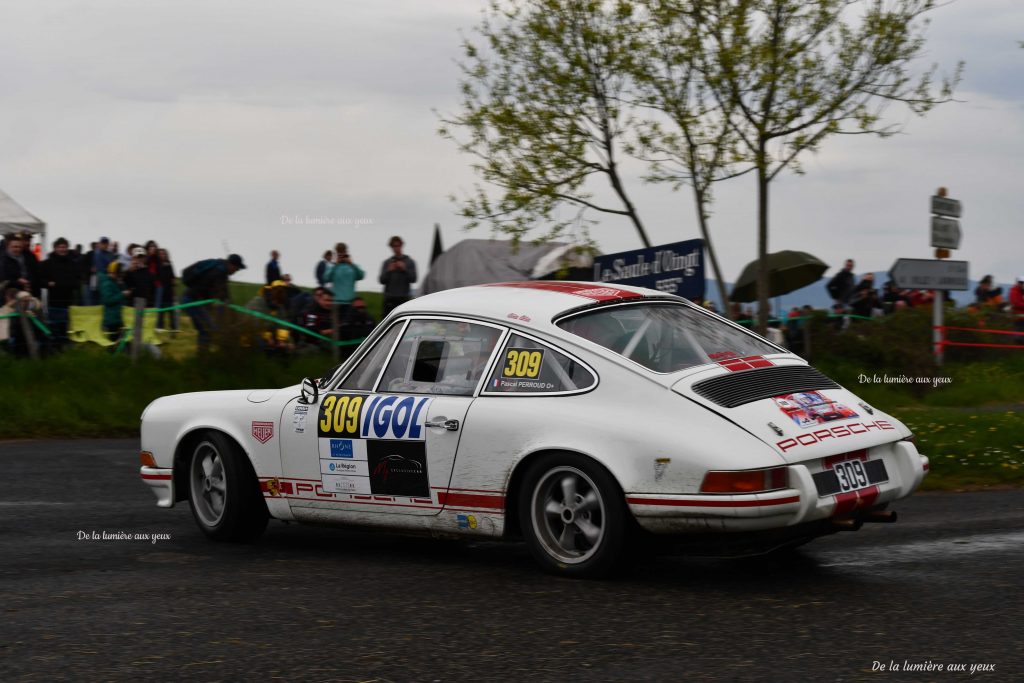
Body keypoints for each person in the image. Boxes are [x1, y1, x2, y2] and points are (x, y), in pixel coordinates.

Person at [181, 253, 246, 349]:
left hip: (196, 300)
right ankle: (203, 359)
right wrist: (233, 316)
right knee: (206, 330)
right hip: (192, 301)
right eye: (236, 269)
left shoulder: (220, 268)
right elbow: (223, 296)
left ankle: (205, 356)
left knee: (211, 328)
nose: (236, 271)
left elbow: (223, 295)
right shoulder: (219, 272)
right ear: (231, 265)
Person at [41, 237, 82, 347]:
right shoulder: (47, 263)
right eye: (60, 247)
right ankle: (54, 346)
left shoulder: (73, 263)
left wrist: (74, 285)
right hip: (53, 300)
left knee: (65, 325)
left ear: (67, 248)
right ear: (55, 248)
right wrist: (48, 283)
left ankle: (64, 345)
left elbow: (78, 279)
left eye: (64, 247)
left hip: (68, 300)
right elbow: (40, 279)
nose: (62, 249)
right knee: (54, 325)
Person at [324, 242, 364, 330]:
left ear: (346, 252)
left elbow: (361, 275)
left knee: (349, 328)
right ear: (336, 253)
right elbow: (326, 278)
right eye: (339, 252)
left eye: (343, 251)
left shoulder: (352, 266)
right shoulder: (333, 267)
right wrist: (336, 265)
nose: (341, 254)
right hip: (336, 303)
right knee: (337, 328)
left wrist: (351, 263)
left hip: (350, 303)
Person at [379, 235, 417, 316]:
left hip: (403, 298)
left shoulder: (410, 262)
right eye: (394, 246)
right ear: (391, 247)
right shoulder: (387, 263)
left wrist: (404, 269)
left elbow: (414, 279)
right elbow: (381, 280)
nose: (396, 248)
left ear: (401, 245)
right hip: (389, 299)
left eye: (398, 245)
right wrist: (388, 271)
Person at [99, 261, 127, 344]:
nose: (119, 275)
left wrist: (121, 285)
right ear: (112, 272)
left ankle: (117, 355)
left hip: (117, 317)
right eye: (117, 273)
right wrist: (122, 294)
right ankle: (112, 355)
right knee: (113, 342)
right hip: (112, 319)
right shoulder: (107, 284)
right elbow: (108, 300)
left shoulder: (115, 282)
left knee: (120, 340)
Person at [156, 248, 177, 331]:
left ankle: (174, 329)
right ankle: (160, 328)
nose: (163, 255)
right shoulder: (157, 265)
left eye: (164, 254)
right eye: (161, 254)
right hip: (160, 292)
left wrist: (174, 292)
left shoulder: (169, 265)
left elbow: (173, 278)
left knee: (172, 312)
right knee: (160, 312)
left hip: (169, 292)